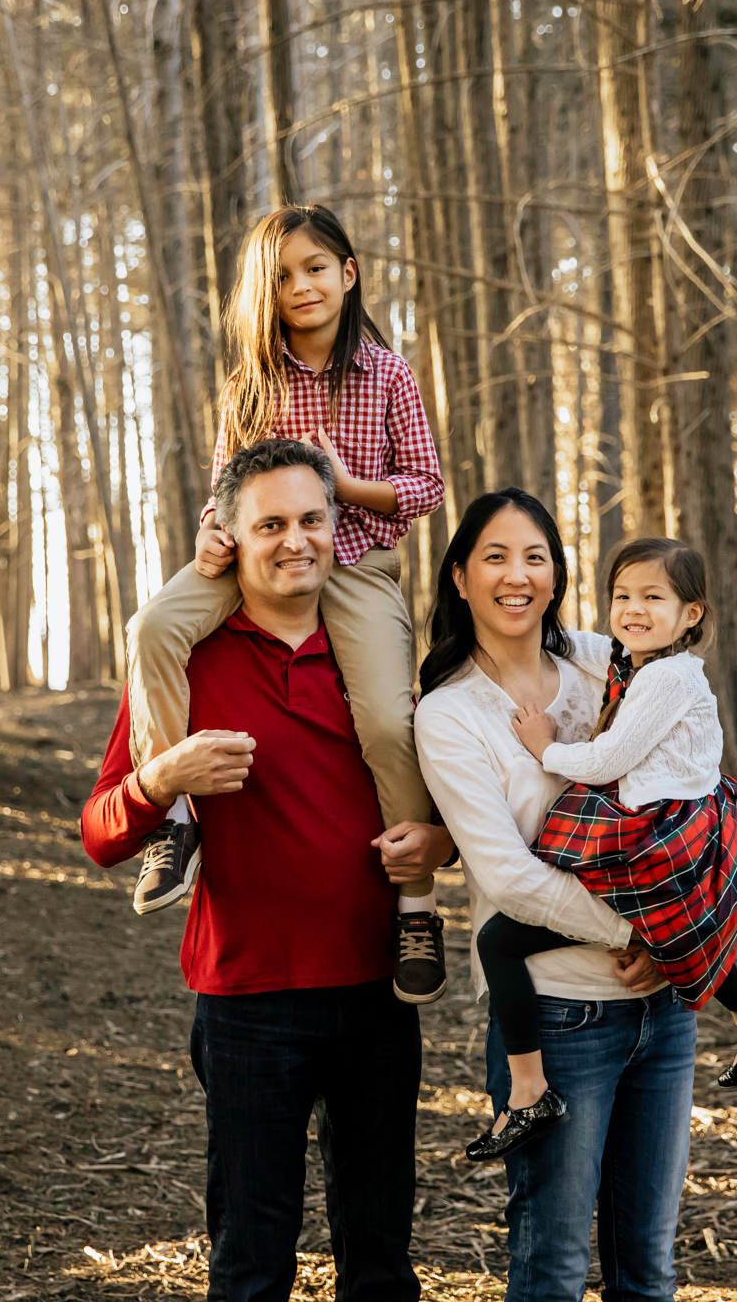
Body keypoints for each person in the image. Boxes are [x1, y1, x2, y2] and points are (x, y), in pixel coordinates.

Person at [81, 439, 447, 1302]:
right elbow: (101, 833)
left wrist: (442, 847)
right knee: (250, 1261)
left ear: (335, 529)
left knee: (382, 1262)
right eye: (272, 524)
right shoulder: (183, 658)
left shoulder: (384, 673)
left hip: (378, 993)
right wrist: (161, 779)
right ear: (228, 537)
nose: (296, 541)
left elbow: (453, 808)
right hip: (246, 1000)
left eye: (312, 520)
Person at [122, 204, 450, 1007]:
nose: (301, 286)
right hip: (252, 554)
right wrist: (210, 536)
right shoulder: (250, 383)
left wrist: (343, 487)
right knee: (154, 624)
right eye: (282, 276)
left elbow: (426, 486)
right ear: (263, 294)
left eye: (315, 267)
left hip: (356, 561)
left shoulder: (388, 374)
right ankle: (176, 818)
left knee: (381, 715)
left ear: (349, 273)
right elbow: (224, 488)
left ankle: (416, 901)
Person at [412, 489, 690, 1302]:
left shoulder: (607, 662)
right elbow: (504, 875)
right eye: (495, 557)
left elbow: (684, 783)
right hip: (560, 1014)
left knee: (649, 1266)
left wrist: (678, 932)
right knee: (554, 1267)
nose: (517, 575)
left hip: (663, 1008)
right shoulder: (451, 712)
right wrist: (637, 930)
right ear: (460, 576)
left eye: (536, 556)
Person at [467, 536, 737, 1161]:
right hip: (675, 819)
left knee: (499, 940)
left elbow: (607, 759)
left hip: (660, 832)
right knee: (683, 929)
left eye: (653, 597)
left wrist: (544, 747)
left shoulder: (666, 678)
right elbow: (583, 655)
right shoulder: (641, 666)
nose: (633, 609)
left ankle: (528, 1093)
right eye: (622, 595)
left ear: (691, 614)